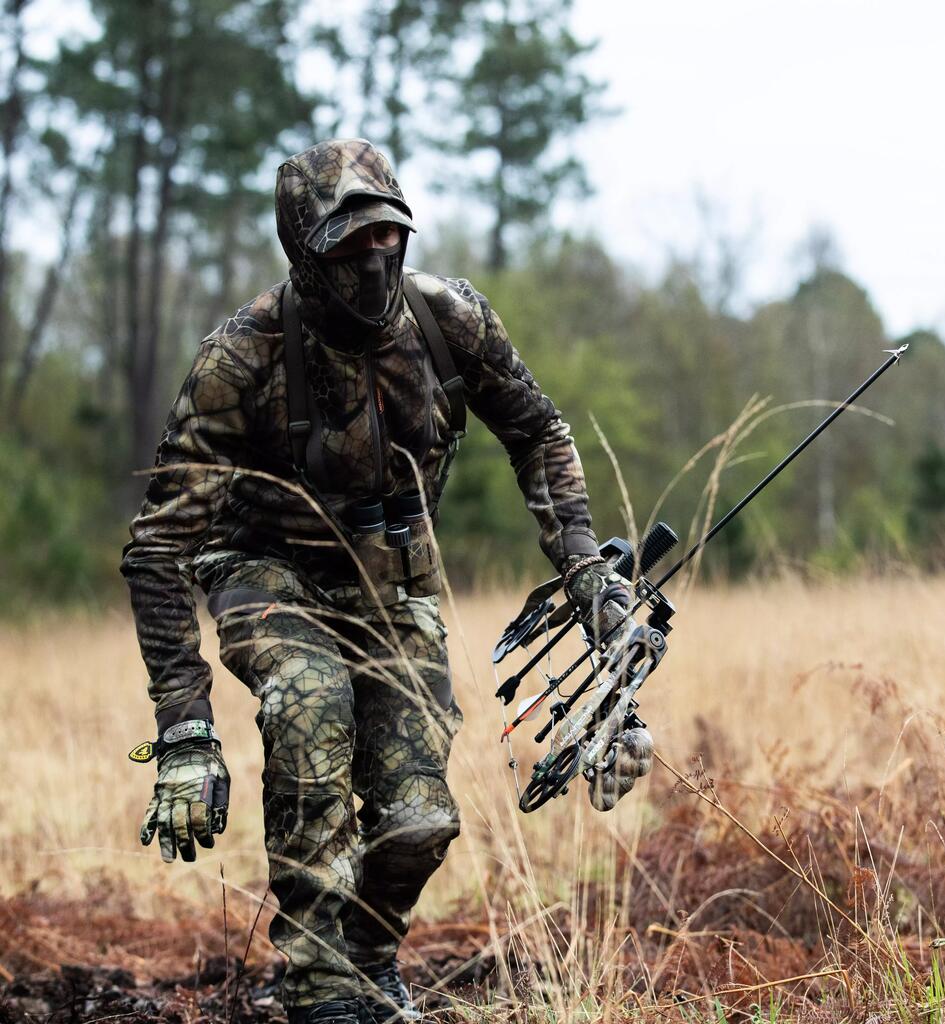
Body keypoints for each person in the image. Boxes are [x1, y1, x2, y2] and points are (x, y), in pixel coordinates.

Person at [121, 138, 645, 1024]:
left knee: (416, 820)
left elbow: (538, 430)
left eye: (386, 238)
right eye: (348, 245)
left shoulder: (452, 322)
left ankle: (367, 957)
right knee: (311, 707)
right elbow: (159, 545)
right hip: (266, 569)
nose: (374, 261)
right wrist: (184, 729)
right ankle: (320, 988)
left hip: (397, 579)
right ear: (304, 254)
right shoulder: (240, 360)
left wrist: (587, 569)